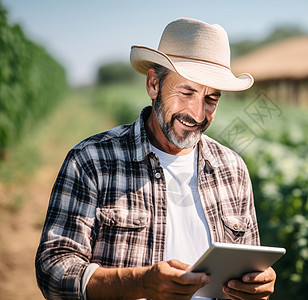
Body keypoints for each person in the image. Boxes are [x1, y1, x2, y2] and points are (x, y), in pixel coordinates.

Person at [35, 18, 277, 300]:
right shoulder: (92, 161)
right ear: (153, 84)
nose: (198, 114)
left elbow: (248, 268)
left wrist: (256, 286)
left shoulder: (232, 169)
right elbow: (53, 270)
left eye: (211, 99)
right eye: (187, 92)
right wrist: (139, 283)